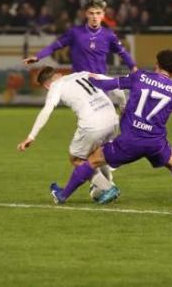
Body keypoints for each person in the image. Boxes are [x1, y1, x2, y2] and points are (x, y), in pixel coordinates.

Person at [49, 49, 172, 208]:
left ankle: (63, 196)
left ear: (157, 65)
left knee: (92, 160)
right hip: (155, 143)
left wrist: (90, 78)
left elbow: (110, 84)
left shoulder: (140, 76)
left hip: (129, 141)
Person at [16, 67, 121, 204]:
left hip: (93, 124)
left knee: (76, 159)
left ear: (47, 85)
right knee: (97, 153)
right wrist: (123, 107)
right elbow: (116, 84)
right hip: (113, 120)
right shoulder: (83, 73)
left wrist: (31, 136)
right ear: (59, 74)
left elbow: (47, 110)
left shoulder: (55, 86)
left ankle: (107, 188)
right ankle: (108, 184)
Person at [22, 0, 137, 110]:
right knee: (90, 121)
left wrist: (134, 68)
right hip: (80, 86)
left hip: (101, 87)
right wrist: (38, 56)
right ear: (86, 14)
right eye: (91, 13)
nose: (95, 16)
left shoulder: (109, 35)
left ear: (103, 15)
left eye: (98, 13)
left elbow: (123, 53)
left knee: (104, 121)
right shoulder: (75, 33)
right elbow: (54, 47)